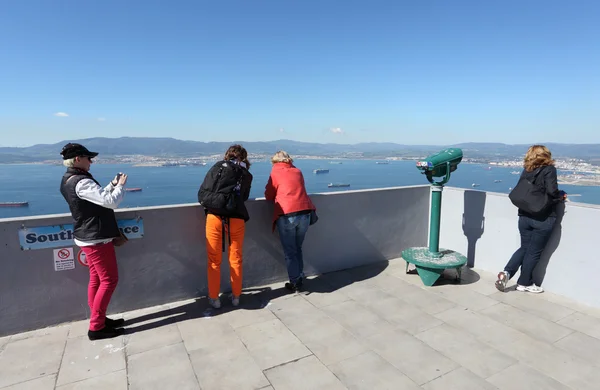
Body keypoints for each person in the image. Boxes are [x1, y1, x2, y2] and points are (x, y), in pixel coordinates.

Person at [59, 143, 128, 340]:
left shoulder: (69, 180)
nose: (91, 161)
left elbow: (98, 197)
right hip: (96, 238)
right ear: (77, 159)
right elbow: (110, 202)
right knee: (109, 280)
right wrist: (121, 187)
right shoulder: (81, 182)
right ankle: (97, 326)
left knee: (97, 280)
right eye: (88, 158)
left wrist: (112, 185)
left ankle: (99, 319)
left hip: (87, 236)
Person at [496, 145, 567, 293]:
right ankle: (524, 283)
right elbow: (552, 191)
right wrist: (561, 195)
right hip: (543, 217)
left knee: (524, 248)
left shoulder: (527, 170)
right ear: (546, 155)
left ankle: (507, 272)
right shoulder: (549, 170)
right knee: (533, 252)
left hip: (524, 216)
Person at [198, 145, 253, 308]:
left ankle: (214, 298)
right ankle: (236, 296)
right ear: (244, 157)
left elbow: (205, 189)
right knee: (236, 258)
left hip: (214, 216)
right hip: (236, 218)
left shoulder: (217, 167)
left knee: (213, 261)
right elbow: (244, 196)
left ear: (227, 155)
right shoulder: (246, 175)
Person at [264, 151, 316, 292]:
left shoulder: (275, 172)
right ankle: (299, 275)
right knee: (297, 248)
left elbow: (268, 194)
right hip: (305, 213)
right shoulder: (297, 171)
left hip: (287, 214)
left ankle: (295, 282)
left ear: (275, 161)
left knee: (290, 251)